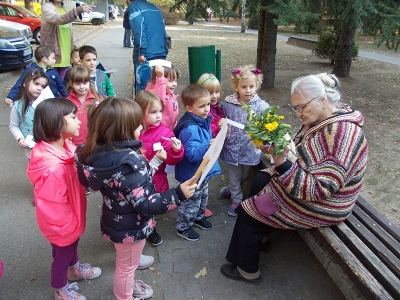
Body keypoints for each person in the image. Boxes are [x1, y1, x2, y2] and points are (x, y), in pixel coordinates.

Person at [220, 73, 368, 284]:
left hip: (327, 203)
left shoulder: (341, 134)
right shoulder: (323, 119)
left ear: (323, 99)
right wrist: (277, 151)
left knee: (247, 211)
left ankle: (247, 271)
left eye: (302, 107)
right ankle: (260, 237)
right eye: (295, 108)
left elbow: (320, 190)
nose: (298, 113)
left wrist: (282, 162)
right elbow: (304, 155)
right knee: (261, 179)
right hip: (308, 186)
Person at [75, 97, 197, 300]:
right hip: (131, 226)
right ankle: (125, 295)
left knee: (127, 257)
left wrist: (156, 160)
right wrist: (178, 194)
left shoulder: (102, 154)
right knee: (125, 268)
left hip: (116, 219)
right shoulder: (130, 163)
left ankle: (134, 261)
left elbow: (132, 182)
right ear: (123, 130)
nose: (142, 126)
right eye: (137, 124)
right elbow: (147, 203)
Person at [27, 98, 102, 300]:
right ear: (57, 123)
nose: (79, 121)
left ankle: (74, 269)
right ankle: (60, 288)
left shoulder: (65, 147)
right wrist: (68, 226)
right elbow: (52, 205)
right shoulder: (53, 168)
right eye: (73, 117)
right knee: (61, 254)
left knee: (72, 245)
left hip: (71, 216)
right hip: (62, 223)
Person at [135, 91, 184, 246]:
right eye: (153, 112)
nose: (158, 116)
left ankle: (151, 230)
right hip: (135, 179)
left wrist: (176, 150)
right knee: (137, 204)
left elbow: (171, 158)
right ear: (140, 113)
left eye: (160, 112)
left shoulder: (165, 133)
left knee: (150, 206)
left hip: (157, 179)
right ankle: (138, 227)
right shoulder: (133, 131)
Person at [219, 66, 269, 217]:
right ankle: (237, 200)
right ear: (236, 86)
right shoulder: (228, 105)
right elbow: (221, 119)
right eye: (244, 87)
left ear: (257, 86)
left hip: (249, 149)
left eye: (251, 86)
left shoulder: (261, 106)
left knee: (243, 175)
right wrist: (220, 123)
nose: (248, 90)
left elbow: (267, 127)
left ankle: (232, 189)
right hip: (231, 148)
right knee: (234, 176)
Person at [173, 84, 221, 241]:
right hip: (191, 175)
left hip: (202, 172)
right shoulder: (190, 128)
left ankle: (198, 217)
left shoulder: (202, 120)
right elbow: (192, 154)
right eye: (202, 106)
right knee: (190, 202)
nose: (207, 109)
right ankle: (183, 226)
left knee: (202, 198)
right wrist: (207, 146)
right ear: (189, 108)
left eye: (207, 104)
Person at [41, 0, 94, 80]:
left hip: (67, 57)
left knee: (64, 87)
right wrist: (78, 9)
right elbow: (59, 19)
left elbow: (68, 33)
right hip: (52, 57)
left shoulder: (65, 8)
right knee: (52, 87)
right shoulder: (47, 7)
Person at [197, 73, 225, 218]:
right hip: (206, 147)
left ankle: (202, 202)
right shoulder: (205, 111)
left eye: (216, 92)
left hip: (212, 147)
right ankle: (200, 205)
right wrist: (218, 128)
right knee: (203, 175)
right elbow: (207, 129)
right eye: (210, 92)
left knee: (207, 176)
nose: (214, 96)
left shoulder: (215, 107)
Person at [128, 0, 169, 94]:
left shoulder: (134, 6)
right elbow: (163, 31)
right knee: (158, 88)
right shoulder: (154, 7)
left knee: (144, 91)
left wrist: (141, 52)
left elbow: (140, 30)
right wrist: (165, 50)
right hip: (160, 52)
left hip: (146, 55)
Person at [9, 69, 49, 159]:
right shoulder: (17, 105)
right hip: (31, 149)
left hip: (47, 148)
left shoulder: (47, 103)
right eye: (36, 84)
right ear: (25, 83)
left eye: (43, 86)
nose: (39, 88)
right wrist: (20, 138)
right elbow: (13, 125)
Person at [66, 65, 103, 147]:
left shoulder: (97, 99)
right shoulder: (67, 102)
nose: (82, 87)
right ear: (72, 84)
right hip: (74, 143)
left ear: (89, 83)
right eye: (77, 84)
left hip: (94, 142)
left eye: (85, 83)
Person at [145, 64, 179, 130]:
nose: (175, 84)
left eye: (175, 80)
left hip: (169, 130)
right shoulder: (155, 94)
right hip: (159, 132)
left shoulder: (170, 95)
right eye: (170, 81)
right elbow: (160, 100)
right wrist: (160, 78)